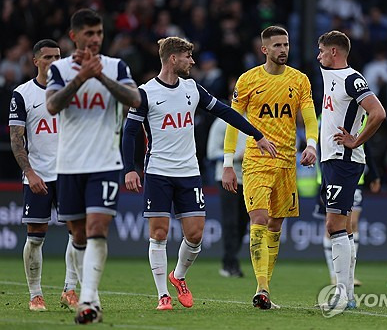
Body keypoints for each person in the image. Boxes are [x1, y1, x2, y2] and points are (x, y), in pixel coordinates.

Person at [122, 37, 276, 311]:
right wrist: (130, 169)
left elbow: (226, 112)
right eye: (187, 57)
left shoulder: (193, 89)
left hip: (189, 173)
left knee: (195, 235)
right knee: (159, 233)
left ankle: (178, 277)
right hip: (158, 171)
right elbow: (130, 132)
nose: (192, 62)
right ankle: (162, 296)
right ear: (172, 59)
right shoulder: (145, 93)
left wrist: (257, 134)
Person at [46, 9, 141, 324]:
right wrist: (81, 78)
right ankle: (93, 298)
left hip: (105, 162)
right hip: (69, 164)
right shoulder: (59, 69)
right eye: (89, 34)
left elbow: (134, 99)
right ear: (74, 36)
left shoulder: (116, 66)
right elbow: (53, 104)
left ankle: (86, 300)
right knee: (78, 236)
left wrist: (99, 75)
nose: (96, 39)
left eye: (99, 33)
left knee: (97, 227)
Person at [222, 25, 318, 309]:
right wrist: (228, 164)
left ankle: (265, 287)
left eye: (286, 45)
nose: (283, 50)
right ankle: (261, 287)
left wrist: (311, 144)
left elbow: (310, 118)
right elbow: (232, 121)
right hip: (256, 161)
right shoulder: (248, 80)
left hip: (287, 162)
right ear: (264, 49)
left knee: (276, 224)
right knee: (260, 219)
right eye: (277, 46)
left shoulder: (299, 80)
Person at [8, 39, 79, 312]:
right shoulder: (23, 94)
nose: (53, 61)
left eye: (58, 57)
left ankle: (69, 289)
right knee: (36, 236)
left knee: (77, 234)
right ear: (36, 60)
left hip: (70, 174)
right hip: (38, 175)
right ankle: (35, 294)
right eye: (47, 57)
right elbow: (17, 139)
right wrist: (29, 172)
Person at [317, 30, 386, 309]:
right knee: (342, 226)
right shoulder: (328, 75)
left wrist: (355, 140)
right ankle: (348, 295)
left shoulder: (352, 79)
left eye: (321, 50)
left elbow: (378, 112)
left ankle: (343, 294)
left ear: (334, 52)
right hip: (332, 160)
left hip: (344, 160)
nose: (318, 55)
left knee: (334, 225)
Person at [207, 117, 248, 278]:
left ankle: (230, 259)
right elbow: (212, 153)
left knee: (243, 222)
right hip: (226, 177)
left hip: (249, 178)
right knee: (230, 221)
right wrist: (237, 156)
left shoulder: (254, 118)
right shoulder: (222, 122)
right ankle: (230, 262)